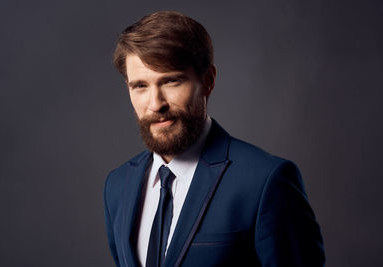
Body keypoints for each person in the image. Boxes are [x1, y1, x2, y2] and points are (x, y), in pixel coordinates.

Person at [104, 10, 325, 267]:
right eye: (140, 86)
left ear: (208, 81)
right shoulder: (118, 186)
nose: (155, 104)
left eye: (172, 81)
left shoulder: (266, 181)